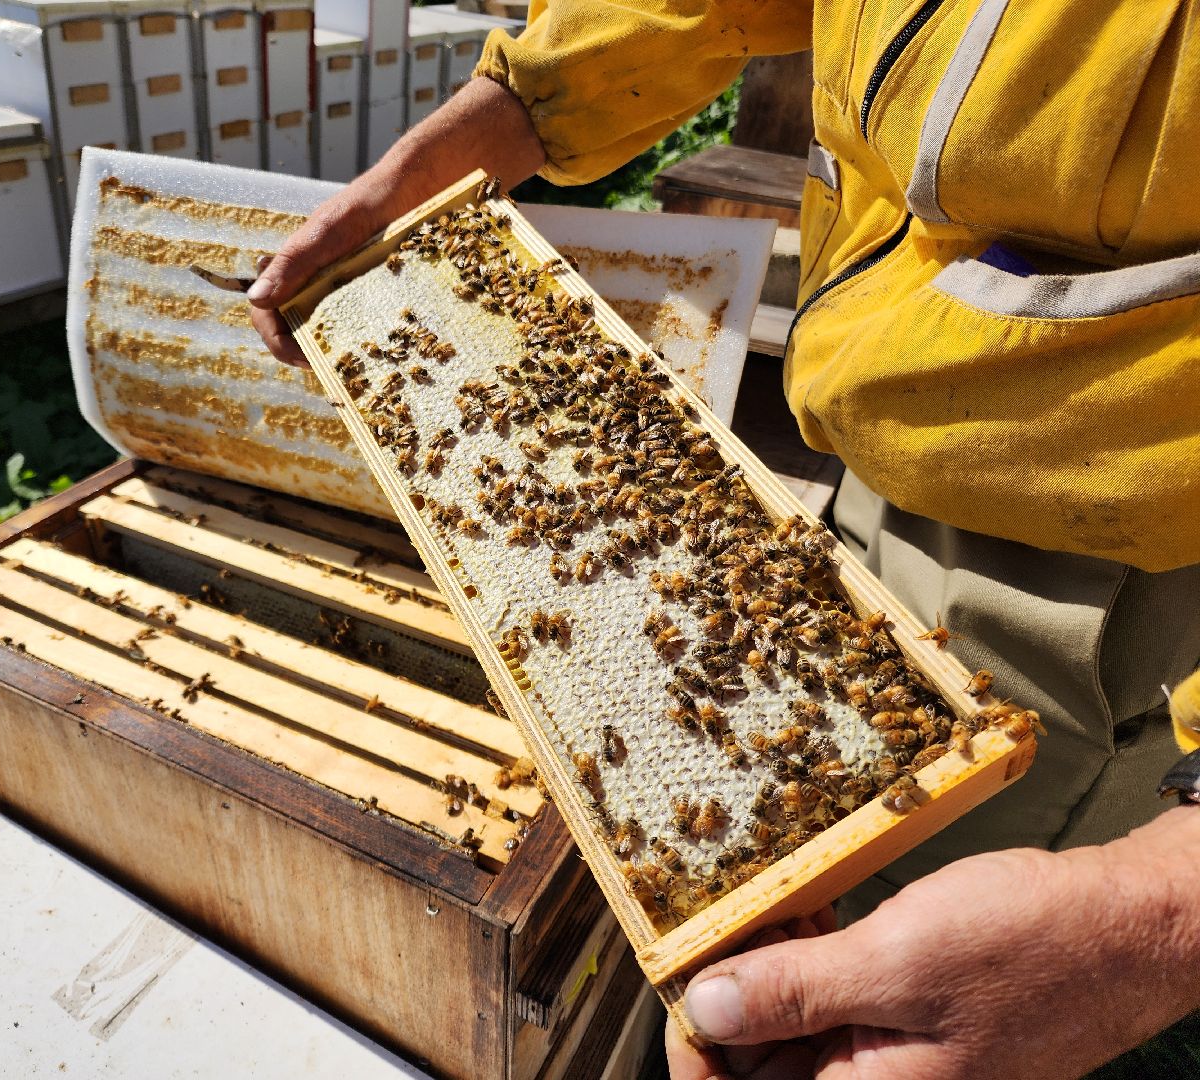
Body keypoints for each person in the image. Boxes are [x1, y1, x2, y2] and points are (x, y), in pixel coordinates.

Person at [248, 2, 1200, 1075]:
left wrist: (1163, 912)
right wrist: (508, 111)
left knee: (928, 989)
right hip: (886, 468)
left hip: (1138, 585)